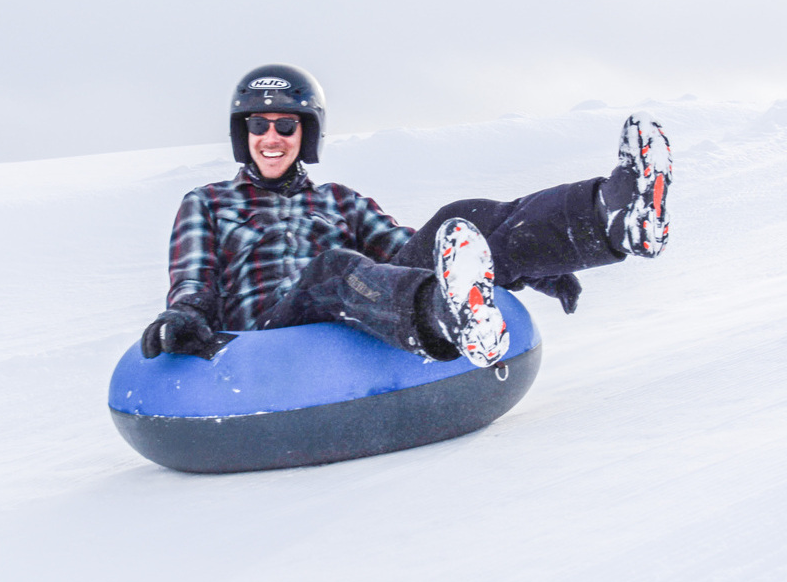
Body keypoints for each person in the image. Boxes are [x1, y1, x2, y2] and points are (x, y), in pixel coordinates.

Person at [141, 63, 672, 367]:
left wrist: (524, 261)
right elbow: (193, 278)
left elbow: (410, 250)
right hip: (270, 339)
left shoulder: (341, 201)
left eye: (286, 125)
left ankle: (613, 217)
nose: (271, 137)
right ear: (244, 134)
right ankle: (449, 317)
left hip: (355, 318)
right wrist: (184, 314)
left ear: (306, 133)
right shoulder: (208, 203)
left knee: (457, 217)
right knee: (332, 269)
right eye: (259, 125)